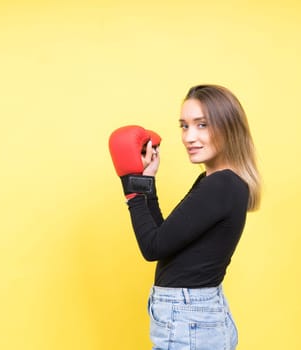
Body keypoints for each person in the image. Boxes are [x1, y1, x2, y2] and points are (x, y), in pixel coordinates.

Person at [108, 84, 261, 350]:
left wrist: (131, 186)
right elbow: (164, 240)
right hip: (196, 317)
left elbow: (151, 247)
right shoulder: (216, 181)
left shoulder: (221, 185)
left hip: (189, 320)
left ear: (228, 127)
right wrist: (146, 182)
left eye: (202, 125)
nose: (189, 137)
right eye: (184, 125)